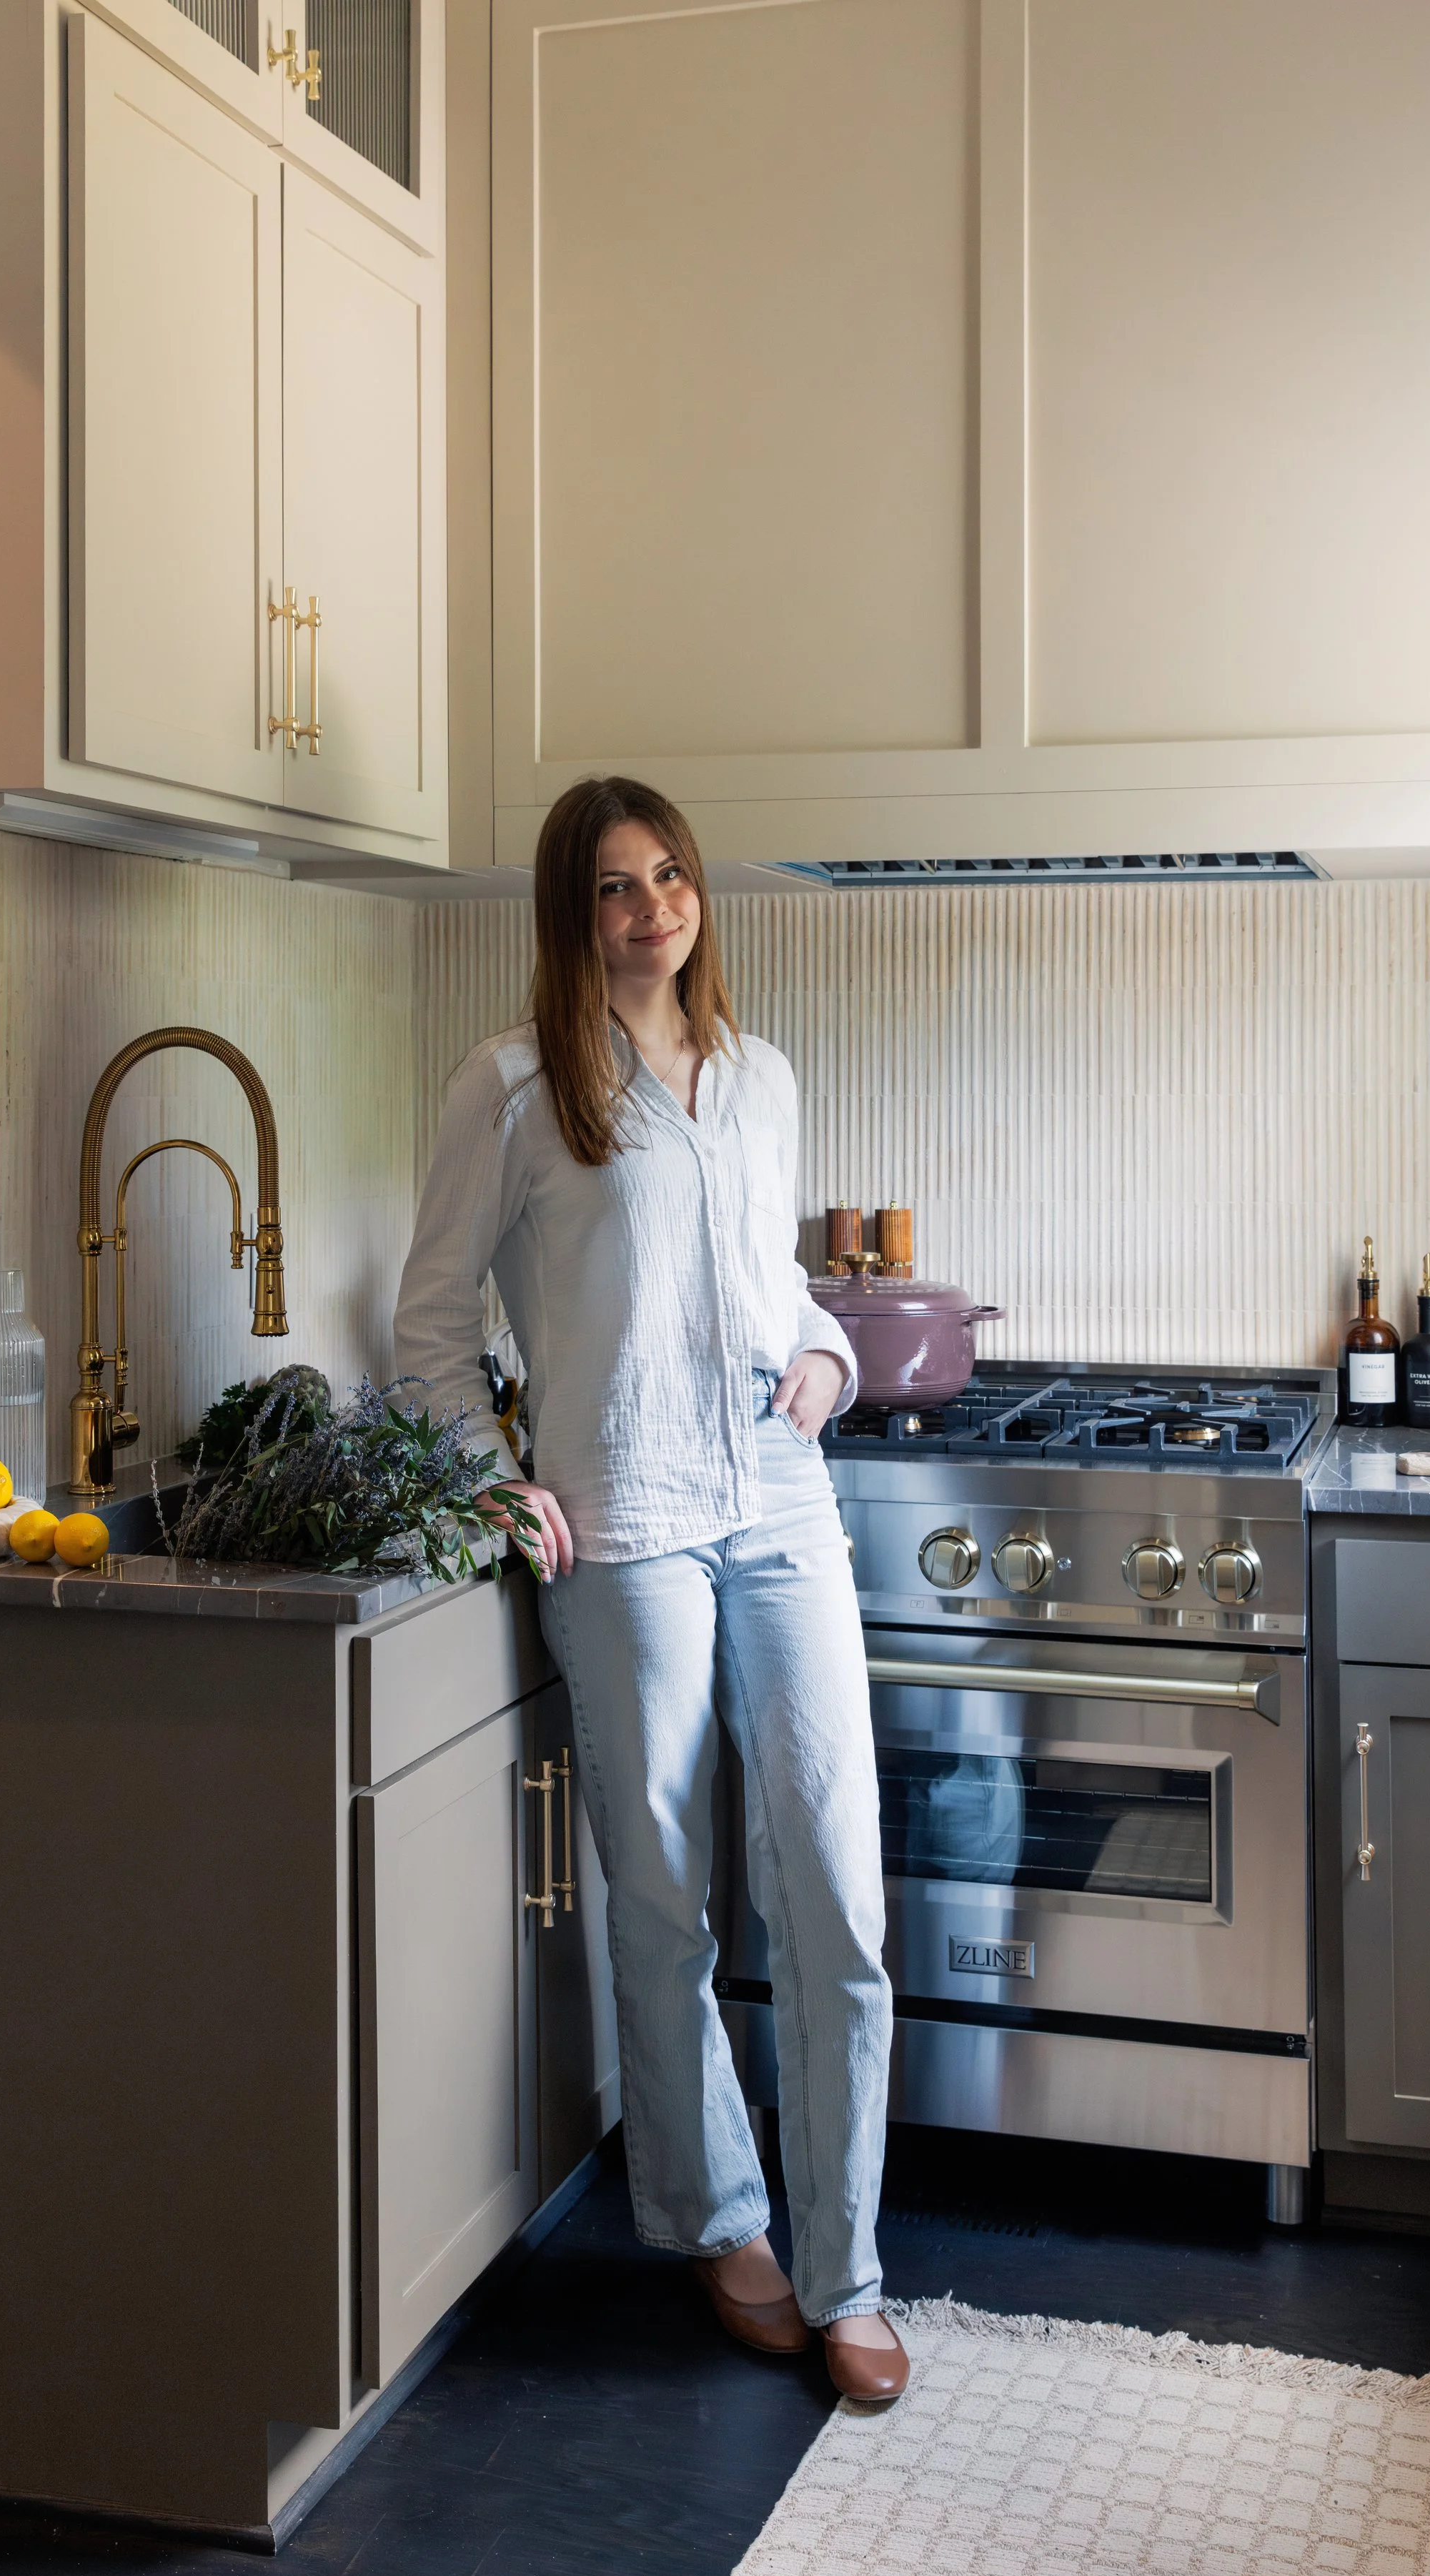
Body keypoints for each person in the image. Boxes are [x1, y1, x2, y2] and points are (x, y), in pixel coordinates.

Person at [393, 774, 905, 2406]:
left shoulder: (760, 1078)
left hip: (778, 1505)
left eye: (668, 875)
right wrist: (489, 1471)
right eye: (614, 886)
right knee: (668, 1898)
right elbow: (428, 1326)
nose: (649, 907)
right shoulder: (515, 1086)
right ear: (572, 913)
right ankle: (715, 2221)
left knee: (834, 1889)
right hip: (618, 1531)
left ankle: (847, 2267)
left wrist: (826, 1361)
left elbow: (777, 1291)